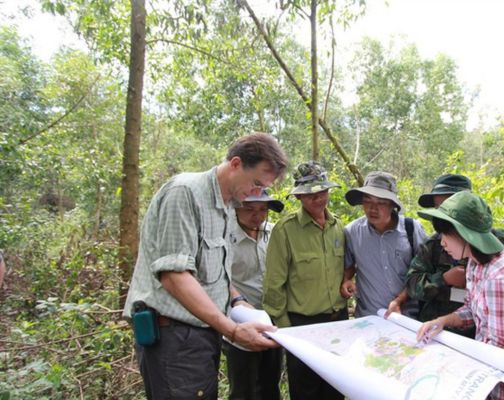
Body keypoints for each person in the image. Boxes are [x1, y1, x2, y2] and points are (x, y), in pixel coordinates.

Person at [123, 132, 288, 400]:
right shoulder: (185, 193)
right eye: (256, 183)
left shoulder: (224, 207)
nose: (257, 194)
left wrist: (237, 300)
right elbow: (174, 276)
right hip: (173, 339)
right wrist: (233, 330)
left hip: (201, 337)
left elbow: (212, 271)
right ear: (235, 164)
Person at [416, 191, 504, 400]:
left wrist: (446, 367)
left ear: (463, 234)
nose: (442, 243)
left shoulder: (500, 280)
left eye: (445, 236)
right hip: (498, 384)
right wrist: (442, 321)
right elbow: (472, 308)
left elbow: (498, 352)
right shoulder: (476, 262)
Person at [395, 174, 504, 335]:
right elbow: (412, 284)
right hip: (443, 328)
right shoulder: (434, 245)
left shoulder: (500, 249)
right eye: (439, 209)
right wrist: (443, 279)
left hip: (485, 334)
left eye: (450, 206)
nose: (443, 215)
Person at [262, 161, 347, 400]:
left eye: (323, 192)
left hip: (338, 322)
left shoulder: (338, 226)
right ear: (299, 197)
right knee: (305, 391)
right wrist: (287, 331)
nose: (319, 199)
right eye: (311, 195)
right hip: (302, 325)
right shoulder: (286, 230)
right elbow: (273, 285)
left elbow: (346, 268)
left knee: (335, 388)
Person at [223, 190, 284, 400]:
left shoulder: (274, 233)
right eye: (249, 209)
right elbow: (218, 278)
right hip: (240, 324)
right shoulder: (224, 237)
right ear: (236, 208)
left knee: (270, 384)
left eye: (262, 209)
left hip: (272, 321)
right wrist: (237, 301)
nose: (257, 215)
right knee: (244, 389)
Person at [340, 171, 427, 318]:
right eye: (367, 201)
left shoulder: (412, 229)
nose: (373, 208)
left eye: (381, 202)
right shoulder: (352, 232)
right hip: (369, 318)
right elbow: (349, 265)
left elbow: (424, 272)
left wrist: (400, 300)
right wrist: (347, 279)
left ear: (393, 204)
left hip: (408, 319)